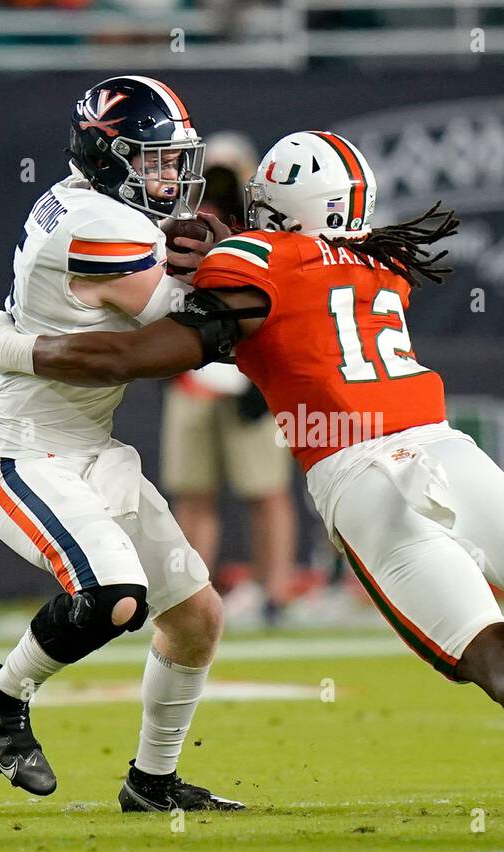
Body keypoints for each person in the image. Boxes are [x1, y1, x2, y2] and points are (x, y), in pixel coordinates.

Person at [0, 129, 504, 816]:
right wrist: (216, 262)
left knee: (488, 656)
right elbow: (295, 300)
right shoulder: (383, 267)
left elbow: (157, 345)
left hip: (363, 478)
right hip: (443, 448)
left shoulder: (250, 265)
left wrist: (5, 343)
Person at [0, 76, 242, 813]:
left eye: (174, 161)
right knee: (115, 596)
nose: (169, 179)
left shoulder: (81, 201)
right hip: (23, 454)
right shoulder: (99, 223)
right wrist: (248, 270)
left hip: (92, 449)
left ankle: (152, 783)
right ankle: (0, 695)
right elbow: (190, 331)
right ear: (108, 156)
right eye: (153, 161)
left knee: (196, 616)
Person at [160, 132, 297, 625]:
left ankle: (274, 594)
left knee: (265, 491)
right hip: (195, 375)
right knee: (193, 492)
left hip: (251, 374)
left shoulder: (268, 232)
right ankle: (189, 594)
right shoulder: (179, 224)